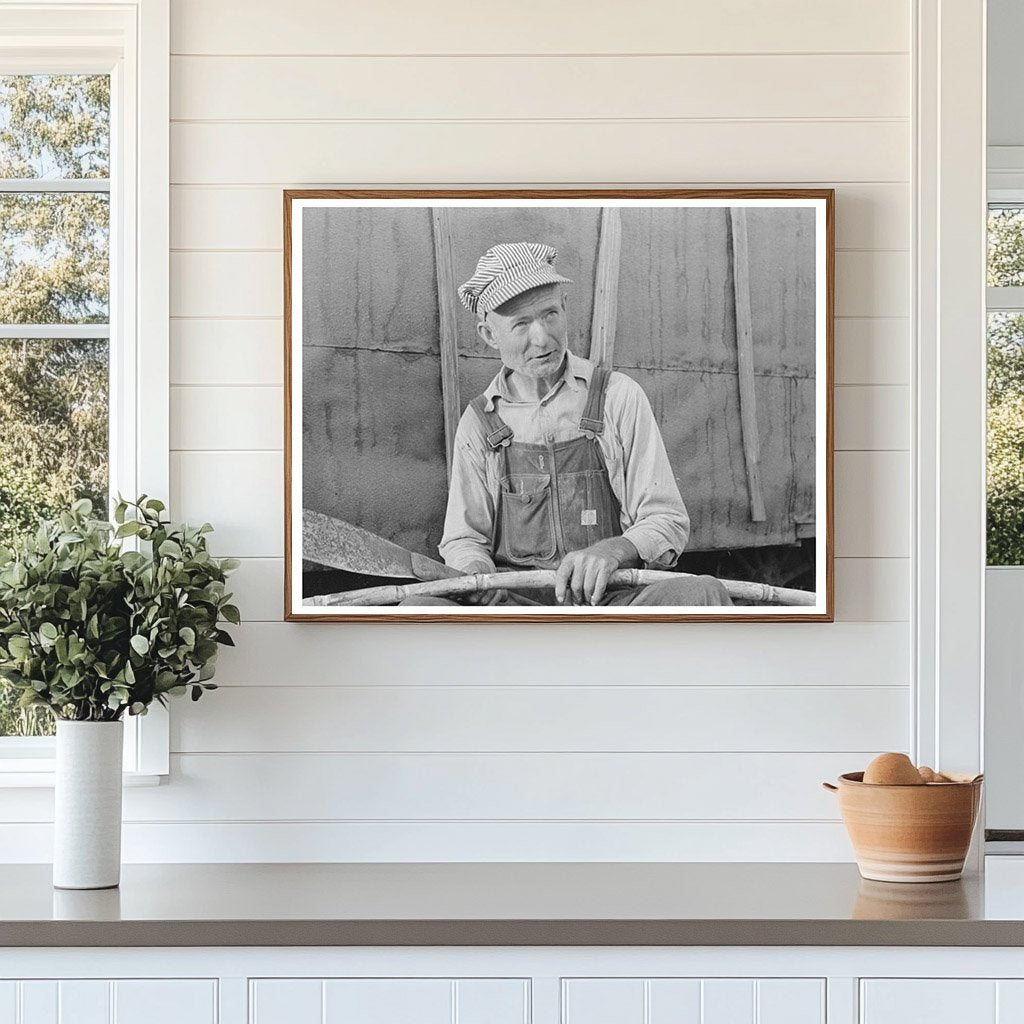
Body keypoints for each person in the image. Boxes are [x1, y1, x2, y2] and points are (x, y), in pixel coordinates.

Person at [408, 241, 730, 608]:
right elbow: (464, 539)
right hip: (517, 609)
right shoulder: (480, 422)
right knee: (418, 610)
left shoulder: (617, 396)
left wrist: (614, 550)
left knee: (703, 593)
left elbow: (666, 519)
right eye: (521, 324)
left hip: (612, 603)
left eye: (549, 314)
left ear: (565, 308)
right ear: (489, 334)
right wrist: (478, 574)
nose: (542, 338)